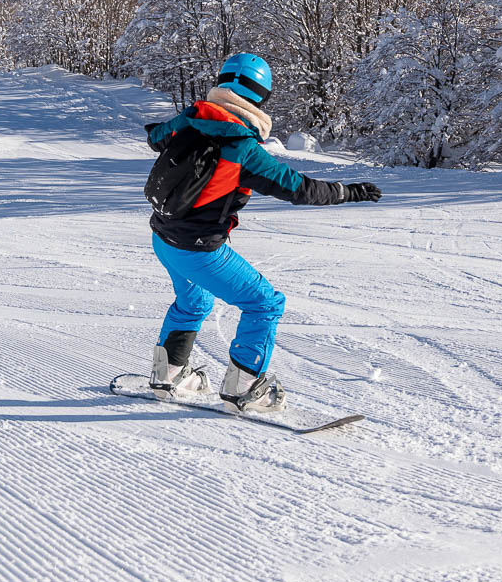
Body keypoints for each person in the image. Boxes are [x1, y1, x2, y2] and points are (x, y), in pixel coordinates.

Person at [143, 53, 382, 411]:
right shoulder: (242, 148)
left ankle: (169, 376)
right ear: (261, 96)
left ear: (222, 82)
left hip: (163, 237)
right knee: (264, 303)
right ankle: (245, 387)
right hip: (199, 249)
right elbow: (298, 188)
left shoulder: (192, 118)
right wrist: (349, 192)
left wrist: (185, 122)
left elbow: (156, 138)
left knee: (194, 301)